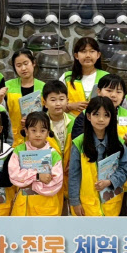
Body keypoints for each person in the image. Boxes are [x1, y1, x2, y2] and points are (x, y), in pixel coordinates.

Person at [68, 96, 127, 217]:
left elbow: (124, 169)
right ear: (88, 116)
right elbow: (74, 175)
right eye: (96, 114)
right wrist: (75, 202)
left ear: (111, 118)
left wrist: (110, 181)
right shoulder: (79, 143)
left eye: (106, 115)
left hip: (111, 204)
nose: (101, 119)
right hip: (86, 205)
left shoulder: (119, 144)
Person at [71, 74, 127, 160]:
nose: (113, 95)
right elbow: (78, 142)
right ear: (98, 91)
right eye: (109, 90)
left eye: (118, 92)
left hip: (122, 165)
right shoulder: (86, 115)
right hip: (91, 163)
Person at [8, 112, 64, 216]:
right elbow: (14, 175)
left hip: (46, 207)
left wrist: (29, 183)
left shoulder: (53, 154)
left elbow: (56, 183)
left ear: (48, 132)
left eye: (42, 131)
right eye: (33, 130)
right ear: (26, 131)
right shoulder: (19, 150)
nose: (38, 134)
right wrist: (37, 177)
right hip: (23, 207)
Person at [43, 80, 75, 215]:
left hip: (70, 174)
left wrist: (73, 163)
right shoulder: (39, 123)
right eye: (53, 100)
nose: (58, 103)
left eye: (61, 99)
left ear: (67, 100)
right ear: (44, 102)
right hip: (49, 176)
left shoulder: (75, 121)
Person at [5, 49, 46, 147]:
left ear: (33, 63)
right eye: (18, 65)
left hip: (37, 138)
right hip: (13, 138)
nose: (23, 68)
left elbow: (47, 113)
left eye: (26, 63)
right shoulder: (7, 86)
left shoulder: (43, 87)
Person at [61, 37, 108, 116]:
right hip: (71, 122)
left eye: (92, 51)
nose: (88, 55)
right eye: (83, 51)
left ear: (98, 55)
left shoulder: (106, 77)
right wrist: (70, 106)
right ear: (76, 55)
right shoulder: (66, 77)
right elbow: (55, 104)